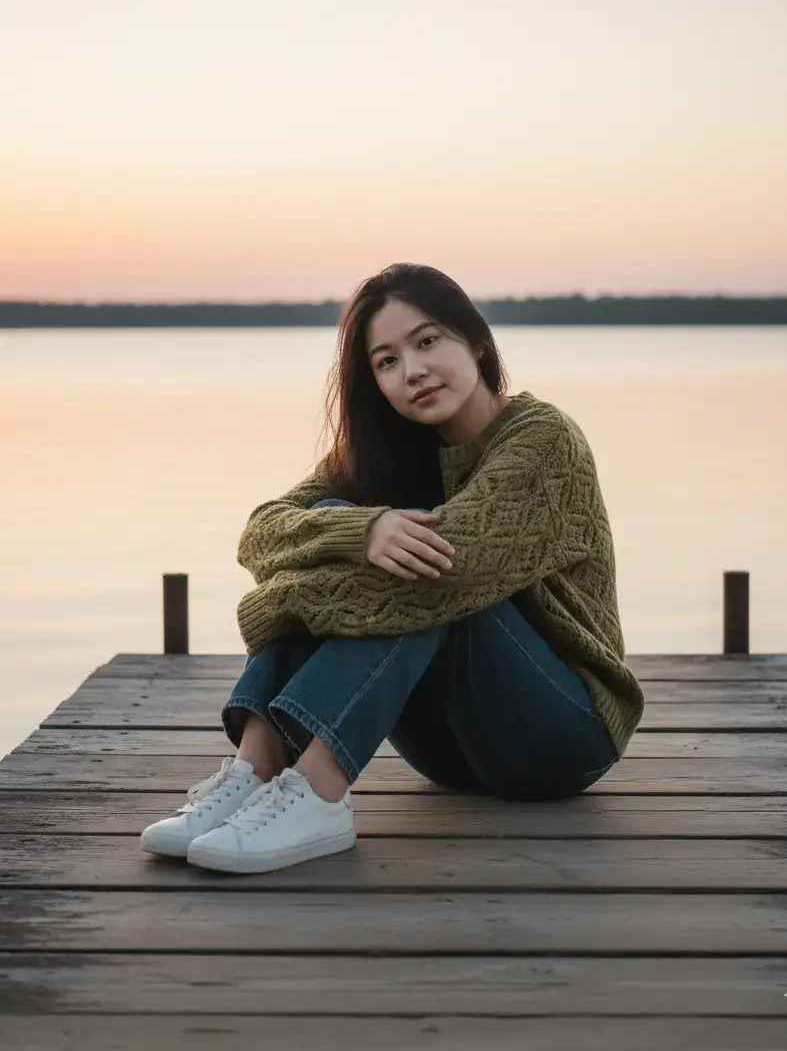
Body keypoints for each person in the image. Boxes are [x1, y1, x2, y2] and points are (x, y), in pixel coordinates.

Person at [140, 263, 644, 874]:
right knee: (339, 520)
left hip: (563, 738)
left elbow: (454, 569)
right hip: (448, 752)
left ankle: (319, 793)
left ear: (475, 340)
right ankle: (255, 766)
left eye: (428, 341)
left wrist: (284, 595)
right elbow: (262, 532)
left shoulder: (542, 439)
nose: (413, 372)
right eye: (386, 361)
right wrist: (362, 529)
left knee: (428, 561)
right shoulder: (385, 451)